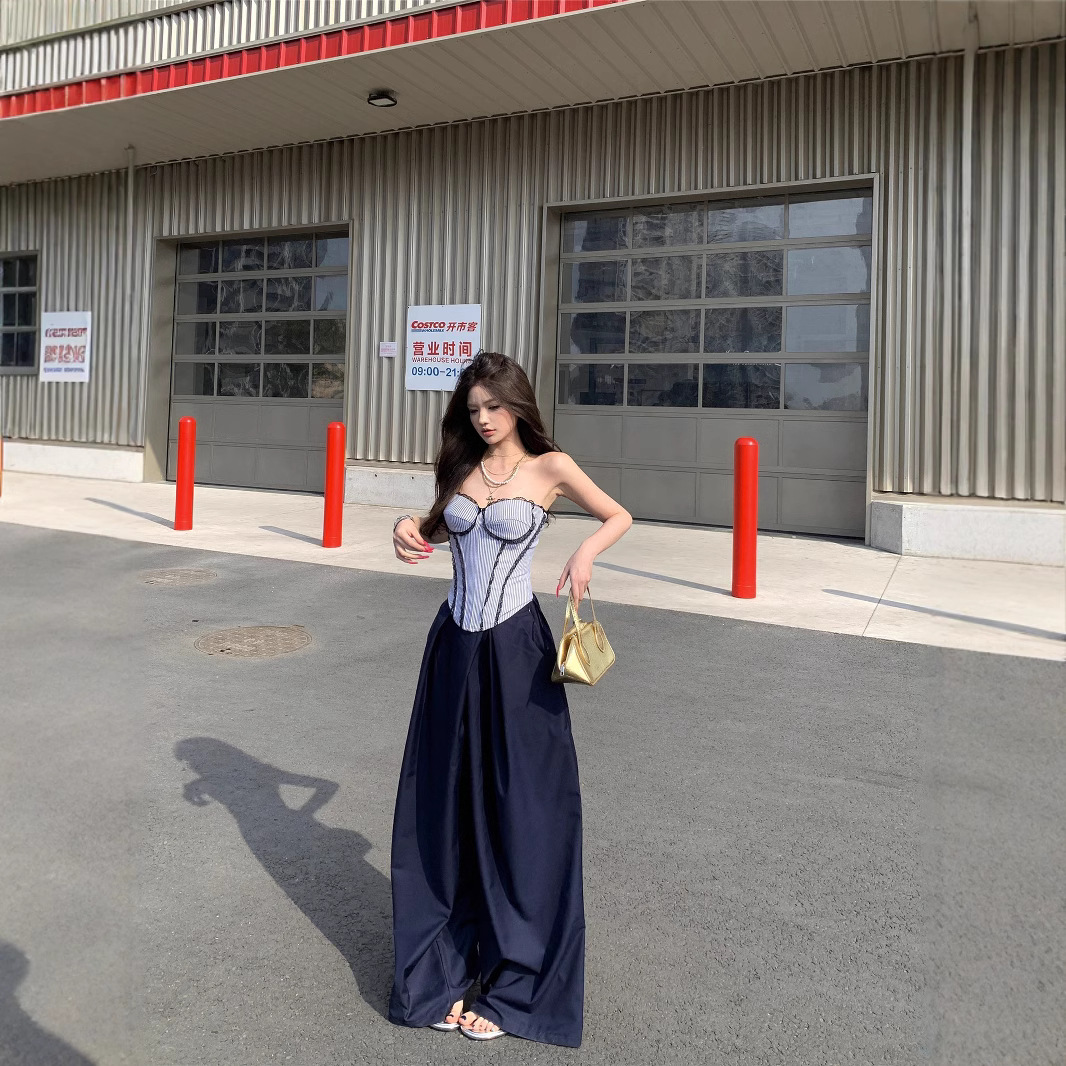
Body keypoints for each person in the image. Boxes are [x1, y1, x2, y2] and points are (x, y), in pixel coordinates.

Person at [387, 350, 632, 1047]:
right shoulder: (461, 466)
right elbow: (434, 528)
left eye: (494, 406)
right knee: (442, 804)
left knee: (523, 807)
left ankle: (520, 981)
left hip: (516, 650)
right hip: (452, 648)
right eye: (473, 409)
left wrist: (585, 552)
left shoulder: (550, 468)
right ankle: (440, 969)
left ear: (517, 403)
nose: (484, 419)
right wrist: (404, 528)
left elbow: (618, 514)